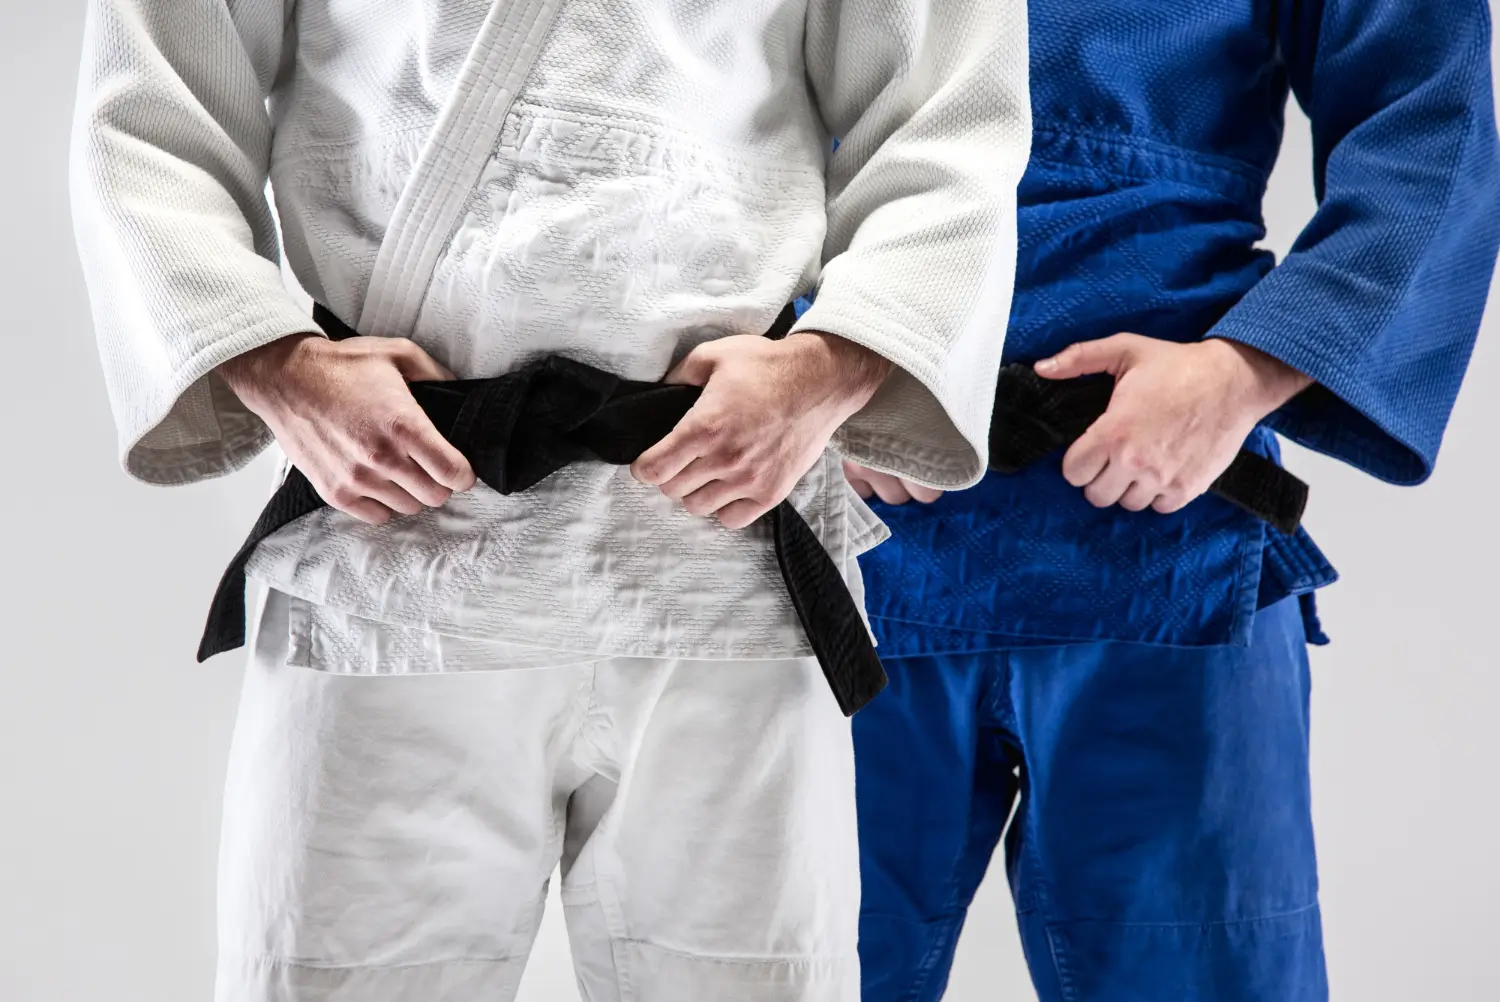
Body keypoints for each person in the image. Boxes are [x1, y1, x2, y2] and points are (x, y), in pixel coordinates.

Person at [69, 2, 1030, 1000]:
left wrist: (831, 371)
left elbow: (950, 114)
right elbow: (148, 112)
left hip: (720, 537)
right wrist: (281, 369)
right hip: (392, 543)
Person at [842, 2, 1500, 1000]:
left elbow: (1428, 122)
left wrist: (1243, 373)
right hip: (827, 512)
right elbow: (687, 89)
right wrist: (804, 356)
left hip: (1170, 522)